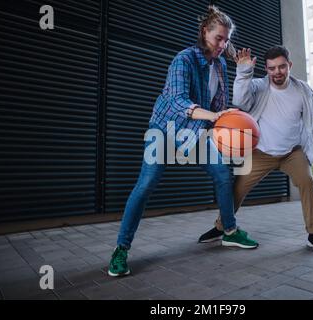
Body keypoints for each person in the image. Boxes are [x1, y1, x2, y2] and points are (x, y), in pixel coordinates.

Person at [108, 6, 259, 277]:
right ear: (205, 32)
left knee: (223, 174)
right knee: (146, 185)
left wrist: (243, 71)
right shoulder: (184, 59)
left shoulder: (221, 64)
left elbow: (221, 107)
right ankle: (121, 249)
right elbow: (178, 101)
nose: (222, 44)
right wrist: (213, 116)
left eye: (226, 40)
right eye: (218, 38)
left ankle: (230, 231)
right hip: (165, 129)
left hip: (194, 132)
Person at [198, 45, 313, 253]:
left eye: (281, 67)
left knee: (307, 182)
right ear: (266, 69)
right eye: (271, 68)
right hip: (261, 152)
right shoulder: (258, 86)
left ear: (289, 65)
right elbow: (240, 100)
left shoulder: (303, 89)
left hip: (292, 152)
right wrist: (243, 72)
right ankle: (222, 226)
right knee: (238, 188)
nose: (276, 72)